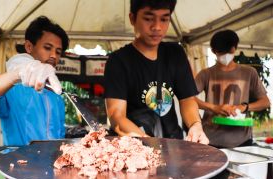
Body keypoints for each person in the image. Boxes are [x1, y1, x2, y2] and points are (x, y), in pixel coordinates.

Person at [104, 0, 209, 144]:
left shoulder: (175, 53)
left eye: (164, 19)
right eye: (148, 19)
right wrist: (147, 143)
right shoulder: (118, 61)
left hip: (173, 143)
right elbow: (116, 115)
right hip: (136, 144)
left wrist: (195, 125)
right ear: (132, 18)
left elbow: (187, 99)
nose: (157, 27)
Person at [0, 16, 69, 146]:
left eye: (58, 51)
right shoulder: (13, 89)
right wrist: (15, 75)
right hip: (20, 165)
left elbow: (59, 135)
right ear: (29, 46)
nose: (53, 56)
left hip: (54, 164)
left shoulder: (56, 95)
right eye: (47, 47)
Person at [195, 30, 270, 148]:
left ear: (235, 48)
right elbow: (188, 99)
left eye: (229, 51)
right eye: (221, 52)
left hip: (242, 142)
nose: (226, 55)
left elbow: (265, 102)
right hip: (211, 141)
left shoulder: (249, 73)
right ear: (214, 51)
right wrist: (214, 107)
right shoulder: (206, 74)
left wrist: (244, 107)